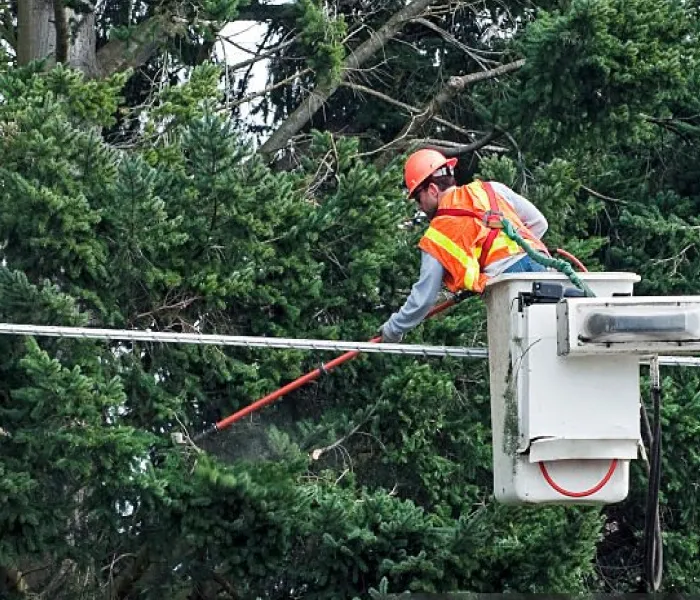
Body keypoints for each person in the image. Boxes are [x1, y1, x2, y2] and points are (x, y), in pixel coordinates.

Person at [380, 149, 550, 343]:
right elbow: (539, 223)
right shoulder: (490, 189)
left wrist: (394, 329)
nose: (420, 206)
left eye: (419, 198)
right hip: (542, 269)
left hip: (509, 287)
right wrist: (518, 255)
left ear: (433, 190)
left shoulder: (438, 233)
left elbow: (424, 298)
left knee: (522, 359)